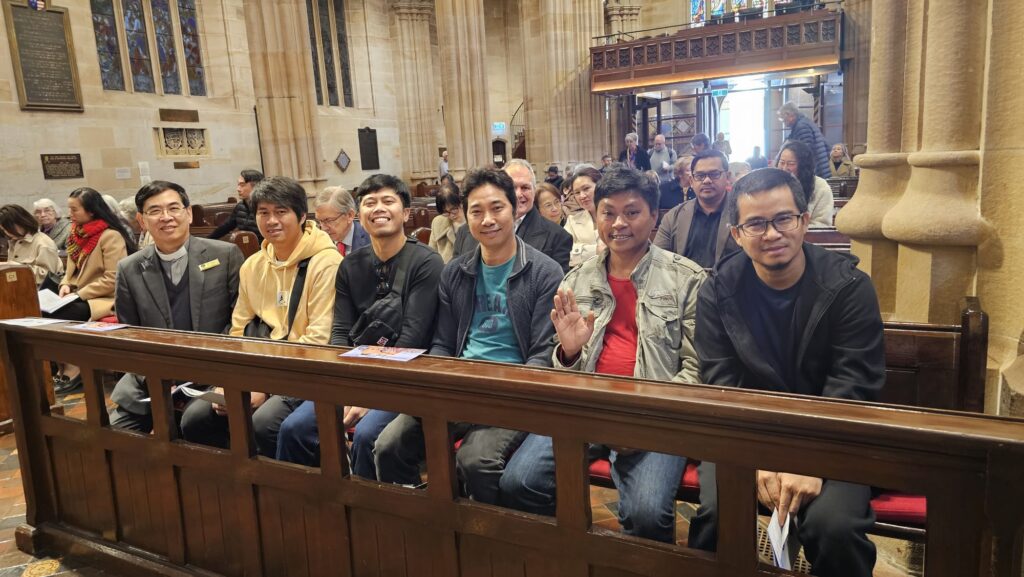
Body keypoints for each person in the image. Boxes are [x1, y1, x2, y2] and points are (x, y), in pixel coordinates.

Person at [688, 167, 883, 577]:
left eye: (783, 219)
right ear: (737, 234)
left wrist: (810, 458)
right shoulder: (718, 290)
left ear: (804, 221)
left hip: (835, 437)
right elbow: (722, 385)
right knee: (718, 514)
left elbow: (853, 385)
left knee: (836, 527)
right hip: (745, 434)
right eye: (756, 223)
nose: (772, 233)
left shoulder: (848, 287)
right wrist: (753, 459)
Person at [499, 166, 705, 543]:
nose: (618, 223)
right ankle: (570, 554)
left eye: (632, 212)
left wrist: (644, 415)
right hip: (585, 407)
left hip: (655, 416)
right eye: (608, 212)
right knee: (519, 482)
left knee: (646, 514)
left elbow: (695, 368)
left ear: (654, 216)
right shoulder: (577, 279)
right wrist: (570, 352)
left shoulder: (686, 279)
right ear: (595, 215)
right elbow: (559, 371)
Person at [371, 168, 562, 502]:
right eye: (476, 211)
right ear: (466, 216)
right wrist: (440, 384)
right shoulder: (456, 273)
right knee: (389, 446)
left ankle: (487, 543)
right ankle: (424, 526)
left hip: (511, 392)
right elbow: (444, 343)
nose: (487, 220)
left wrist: (506, 392)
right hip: (460, 386)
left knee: (476, 462)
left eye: (496, 208)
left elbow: (541, 354)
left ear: (515, 207)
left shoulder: (544, 272)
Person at [276, 174, 443, 469]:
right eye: (370, 202)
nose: (378, 208)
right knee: (294, 429)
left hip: (406, 378)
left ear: (405, 213)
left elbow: (411, 339)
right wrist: (345, 385)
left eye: (388, 201)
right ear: (359, 216)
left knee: (367, 434)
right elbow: (340, 331)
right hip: (355, 374)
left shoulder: (426, 262)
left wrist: (370, 395)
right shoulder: (350, 265)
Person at [181, 176, 342, 457]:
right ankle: (236, 484)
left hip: (307, 371)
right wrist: (234, 381)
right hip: (258, 369)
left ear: (302, 215)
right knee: (196, 418)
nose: (272, 221)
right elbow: (239, 329)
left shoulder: (326, 263)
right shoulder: (253, 264)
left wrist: (265, 389)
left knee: (264, 423)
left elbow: (318, 339)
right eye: (263, 213)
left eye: (281, 212)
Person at [110, 181, 244, 433]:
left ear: (189, 213)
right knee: (114, 434)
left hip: (212, 375)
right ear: (141, 220)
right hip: (151, 380)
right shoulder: (130, 268)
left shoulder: (225, 255)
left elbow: (239, 322)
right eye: (155, 211)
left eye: (174, 208)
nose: (166, 217)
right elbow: (130, 334)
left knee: (192, 425)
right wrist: (156, 377)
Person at [47, 187, 137, 392]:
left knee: (61, 315)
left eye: (75, 209)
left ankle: (75, 368)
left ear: (92, 211)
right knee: (43, 313)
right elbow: (70, 270)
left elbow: (114, 278)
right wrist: (65, 285)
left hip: (104, 299)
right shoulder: (76, 234)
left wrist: (78, 293)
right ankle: (62, 366)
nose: (70, 214)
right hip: (78, 294)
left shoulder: (110, 235)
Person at [452, 159, 572, 272]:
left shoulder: (557, 236)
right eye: (513, 188)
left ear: (534, 191)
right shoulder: (465, 232)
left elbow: (556, 287)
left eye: (525, 187)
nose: (518, 194)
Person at [655, 150, 737, 269]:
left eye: (714, 174)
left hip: (729, 285)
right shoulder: (673, 217)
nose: (707, 180)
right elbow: (658, 262)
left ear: (728, 177)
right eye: (700, 176)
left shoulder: (743, 213)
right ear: (692, 181)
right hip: (683, 285)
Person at [0, 204, 63, 288]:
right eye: (4, 230)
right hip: (17, 288)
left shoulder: (43, 243)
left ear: (21, 222)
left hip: (37, 293)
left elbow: (48, 277)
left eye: (8, 228)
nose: (7, 232)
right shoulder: (15, 240)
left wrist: (17, 267)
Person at [776, 140, 835, 228]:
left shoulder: (820, 187)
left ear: (803, 166)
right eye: (782, 162)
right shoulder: (773, 184)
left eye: (791, 164)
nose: (784, 168)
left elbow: (822, 224)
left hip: (807, 237)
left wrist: (792, 230)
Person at [209, 169, 265, 242]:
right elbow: (225, 227)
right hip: (248, 248)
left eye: (242, 185)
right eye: (238, 185)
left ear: (256, 186)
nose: (238, 189)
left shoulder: (264, 207)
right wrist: (206, 240)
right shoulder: (240, 206)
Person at [563, 166, 603, 268]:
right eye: (577, 192)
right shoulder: (572, 221)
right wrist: (596, 250)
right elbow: (565, 254)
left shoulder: (616, 217)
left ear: (600, 186)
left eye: (586, 189)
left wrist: (580, 249)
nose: (582, 196)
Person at [778, 102, 831, 178]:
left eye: (784, 120)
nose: (784, 123)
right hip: (821, 167)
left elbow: (805, 151)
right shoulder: (805, 122)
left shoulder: (801, 126)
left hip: (815, 170)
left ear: (790, 115)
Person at [314, 186, 369, 256]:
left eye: (329, 220)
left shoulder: (372, 240)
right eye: (320, 221)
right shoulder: (318, 244)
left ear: (350, 215)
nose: (324, 228)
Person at [428, 180, 466, 263]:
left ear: (462, 202)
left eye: (454, 209)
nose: (451, 215)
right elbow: (431, 255)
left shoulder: (472, 221)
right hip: (444, 271)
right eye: (445, 212)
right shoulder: (438, 222)